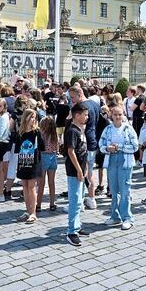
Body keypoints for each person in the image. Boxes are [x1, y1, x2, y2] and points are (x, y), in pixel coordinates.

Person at [99, 104, 139, 230]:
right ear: (111, 115)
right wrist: (107, 148)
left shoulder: (128, 129)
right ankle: (115, 216)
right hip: (111, 160)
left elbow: (135, 146)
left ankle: (127, 217)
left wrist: (119, 147)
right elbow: (101, 144)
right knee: (114, 190)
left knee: (125, 190)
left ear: (123, 115)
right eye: (115, 114)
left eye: (120, 114)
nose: (117, 117)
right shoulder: (108, 129)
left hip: (125, 161)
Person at [65, 102, 90, 246]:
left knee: (80, 200)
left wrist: (84, 168)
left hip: (81, 169)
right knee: (75, 200)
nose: (86, 117)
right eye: (84, 114)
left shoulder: (80, 129)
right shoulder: (72, 131)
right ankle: (71, 231)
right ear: (77, 115)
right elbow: (71, 151)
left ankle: (77, 225)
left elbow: (83, 151)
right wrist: (79, 170)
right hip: (74, 171)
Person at [14, 109, 43, 223]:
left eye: (34, 117)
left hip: (33, 162)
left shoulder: (37, 132)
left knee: (31, 187)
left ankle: (33, 213)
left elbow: (41, 147)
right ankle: (27, 210)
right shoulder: (20, 133)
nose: (33, 119)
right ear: (25, 118)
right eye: (31, 117)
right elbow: (17, 149)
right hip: (22, 162)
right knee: (25, 187)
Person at [36, 115, 59, 212]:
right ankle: (52, 204)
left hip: (43, 156)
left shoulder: (41, 133)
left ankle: (38, 205)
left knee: (41, 183)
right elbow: (57, 147)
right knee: (51, 182)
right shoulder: (54, 134)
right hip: (53, 157)